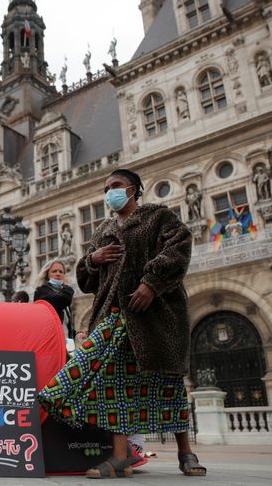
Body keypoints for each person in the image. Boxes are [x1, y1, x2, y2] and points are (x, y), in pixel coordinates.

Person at [38, 168, 206, 478]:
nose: (110, 192)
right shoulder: (103, 230)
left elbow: (180, 246)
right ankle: (119, 456)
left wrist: (152, 283)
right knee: (110, 384)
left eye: (116, 185)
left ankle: (186, 453)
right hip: (114, 315)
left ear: (135, 189)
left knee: (168, 382)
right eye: (106, 188)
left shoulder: (158, 217)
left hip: (156, 315)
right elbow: (87, 282)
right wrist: (93, 260)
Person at [33, 260, 83, 349]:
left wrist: (76, 334)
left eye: (61, 272)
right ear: (47, 274)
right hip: (52, 344)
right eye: (54, 271)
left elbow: (64, 324)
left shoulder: (62, 294)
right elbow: (64, 299)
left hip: (68, 344)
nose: (58, 274)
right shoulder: (41, 292)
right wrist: (67, 286)